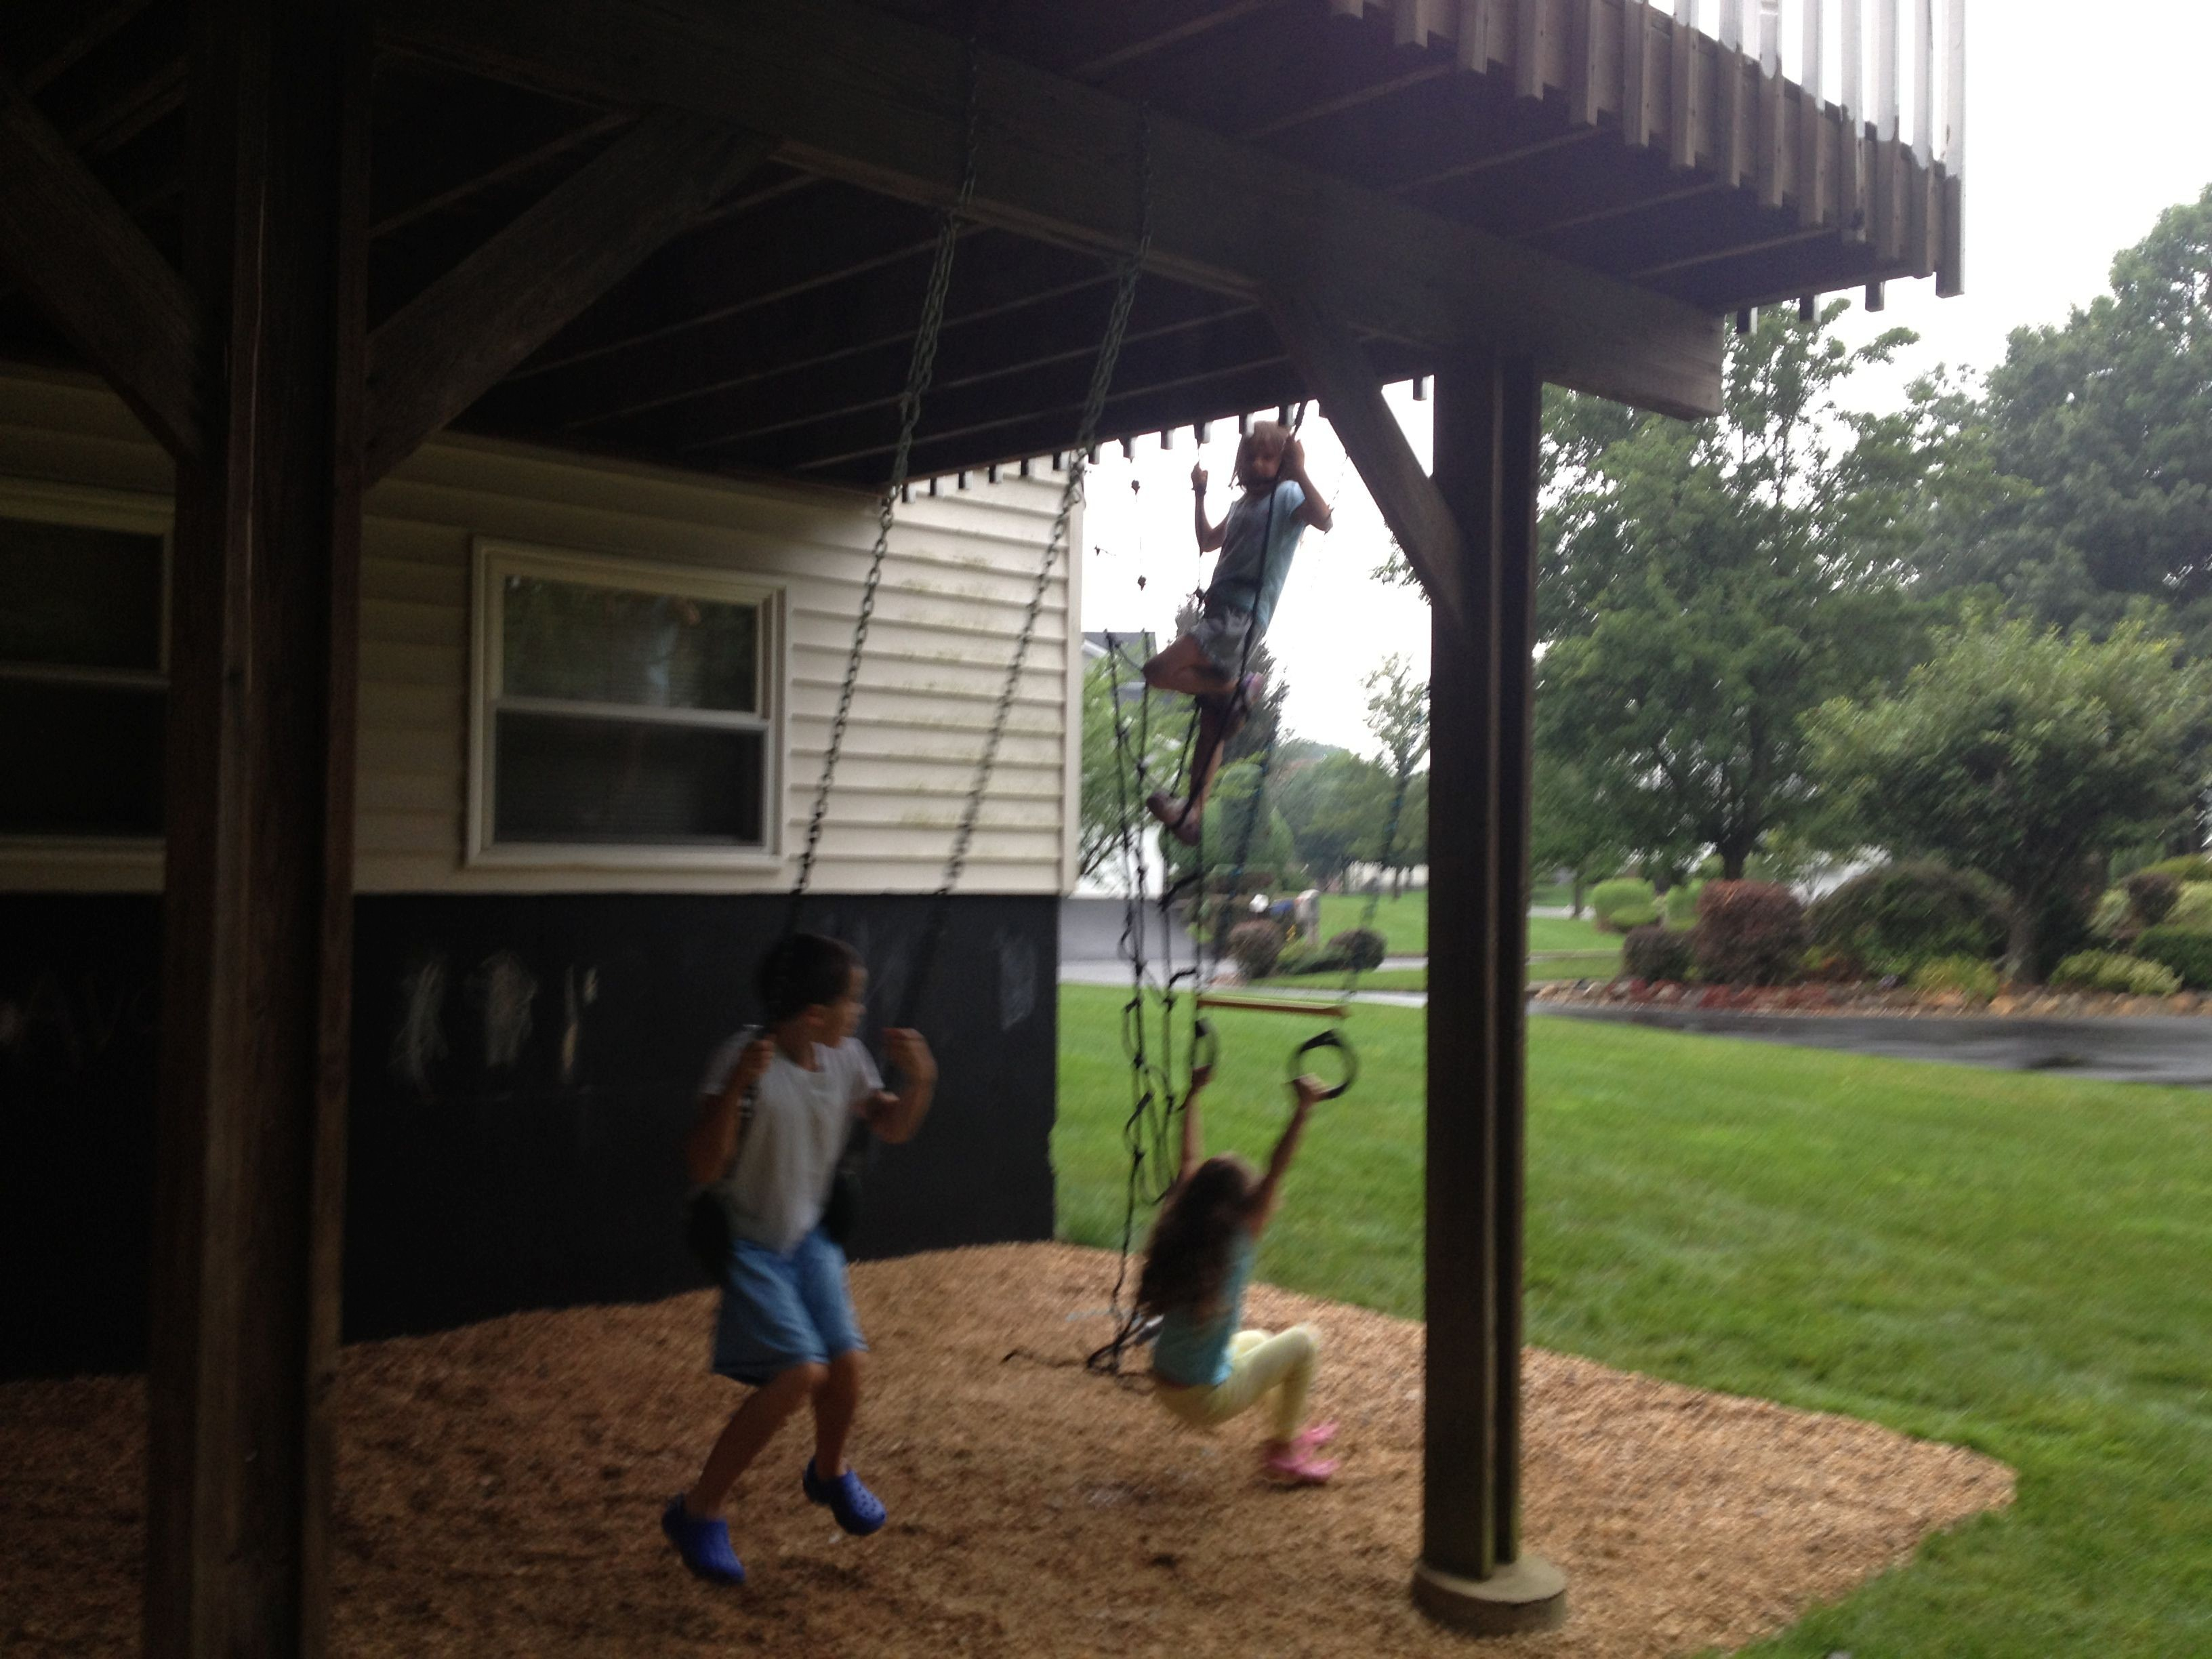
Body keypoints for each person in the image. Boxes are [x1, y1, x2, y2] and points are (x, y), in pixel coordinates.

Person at [662, 933, 937, 1585]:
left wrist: (920, 1080)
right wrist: (736, 1088)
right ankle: (697, 1512)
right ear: (813, 1013)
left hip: (808, 1234)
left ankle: (829, 1472)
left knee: (847, 1362)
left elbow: (892, 1126)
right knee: (799, 1373)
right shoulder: (744, 1060)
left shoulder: (844, 1060)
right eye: (852, 1001)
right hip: (749, 1240)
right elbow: (702, 1163)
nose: (861, 1013)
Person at [1139, 1061, 1338, 1484]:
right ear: (1242, 1203)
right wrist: (1303, 1110)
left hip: (1167, 1382)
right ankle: (1282, 1455)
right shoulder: (1239, 1237)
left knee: (1261, 1342)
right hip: (1204, 1400)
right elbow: (1277, 1169)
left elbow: (1189, 1157)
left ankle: (1289, 1430)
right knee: (1305, 1342)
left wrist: (1194, 1094)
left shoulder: (1182, 1226)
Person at [1142, 419, 1333, 845]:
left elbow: (1324, 520)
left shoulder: (1288, 495)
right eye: (1252, 457)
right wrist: (1199, 493)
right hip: (1219, 611)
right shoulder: (1242, 505)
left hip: (1241, 615)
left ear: (1281, 462)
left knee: (1157, 671)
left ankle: (1236, 686)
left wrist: (1299, 470)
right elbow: (1207, 541)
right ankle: (1191, 812)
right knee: (1213, 724)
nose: (1258, 465)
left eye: (1269, 458)